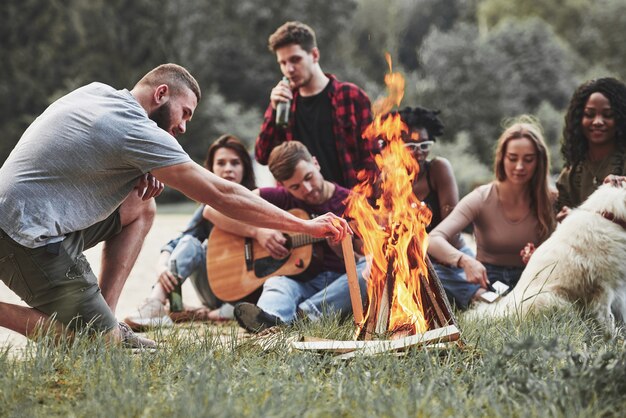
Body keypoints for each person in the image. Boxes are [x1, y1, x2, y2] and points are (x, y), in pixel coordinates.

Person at [0, 64, 349, 348]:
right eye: (185, 113)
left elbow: (75, 158)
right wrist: (304, 226)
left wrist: (133, 173)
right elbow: (221, 194)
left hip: (33, 216)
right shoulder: (133, 129)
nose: (182, 126)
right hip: (23, 236)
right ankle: (101, 332)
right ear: (161, 93)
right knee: (95, 343)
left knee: (141, 205)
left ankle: (105, 315)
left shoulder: (98, 92)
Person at [204, 141, 368, 334]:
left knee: (370, 267)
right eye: (296, 186)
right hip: (299, 284)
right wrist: (258, 232)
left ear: (315, 163)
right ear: (283, 186)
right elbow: (211, 210)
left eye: (309, 177)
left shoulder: (352, 202)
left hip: (337, 286)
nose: (306, 189)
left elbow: (363, 255)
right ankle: (270, 321)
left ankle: (305, 317)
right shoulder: (279, 198)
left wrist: (341, 250)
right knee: (276, 283)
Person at [123, 134, 256, 331]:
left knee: (246, 309)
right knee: (190, 243)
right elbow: (178, 243)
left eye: (235, 163)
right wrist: (162, 267)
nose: (228, 168)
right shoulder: (207, 208)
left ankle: (195, 312)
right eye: (221, 163)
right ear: (211, 169)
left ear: (245, 167)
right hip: (213, 290)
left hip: (247, 294)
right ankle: (155, 304)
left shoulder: (260, 201)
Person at [427, 116, 556, 310]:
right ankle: (487, 299)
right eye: (513, 158)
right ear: (502, 158)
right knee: (432, 272)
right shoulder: (482, 197)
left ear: (539, 162)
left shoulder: (553, 199)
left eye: (528, 160)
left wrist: (544, 255)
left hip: (535, 279)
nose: (519, 167)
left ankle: (506, 303)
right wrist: (464, 260)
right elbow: (432, 239)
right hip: (487, 281)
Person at [255, 21, 376, 189]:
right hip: (299, 210)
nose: (289, 69)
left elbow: (372, 158)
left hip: (347, 204)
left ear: (314, 55)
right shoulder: (284, 102)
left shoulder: (350, 96)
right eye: (282, 63)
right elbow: (262, 156)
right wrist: (275, 111)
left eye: (295, 60)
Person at [556, 77, 626, 222]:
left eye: (608, 115)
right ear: (578, 119)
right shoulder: (570, 176)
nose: (598, 122)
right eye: (589, 114)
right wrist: (567, 219)